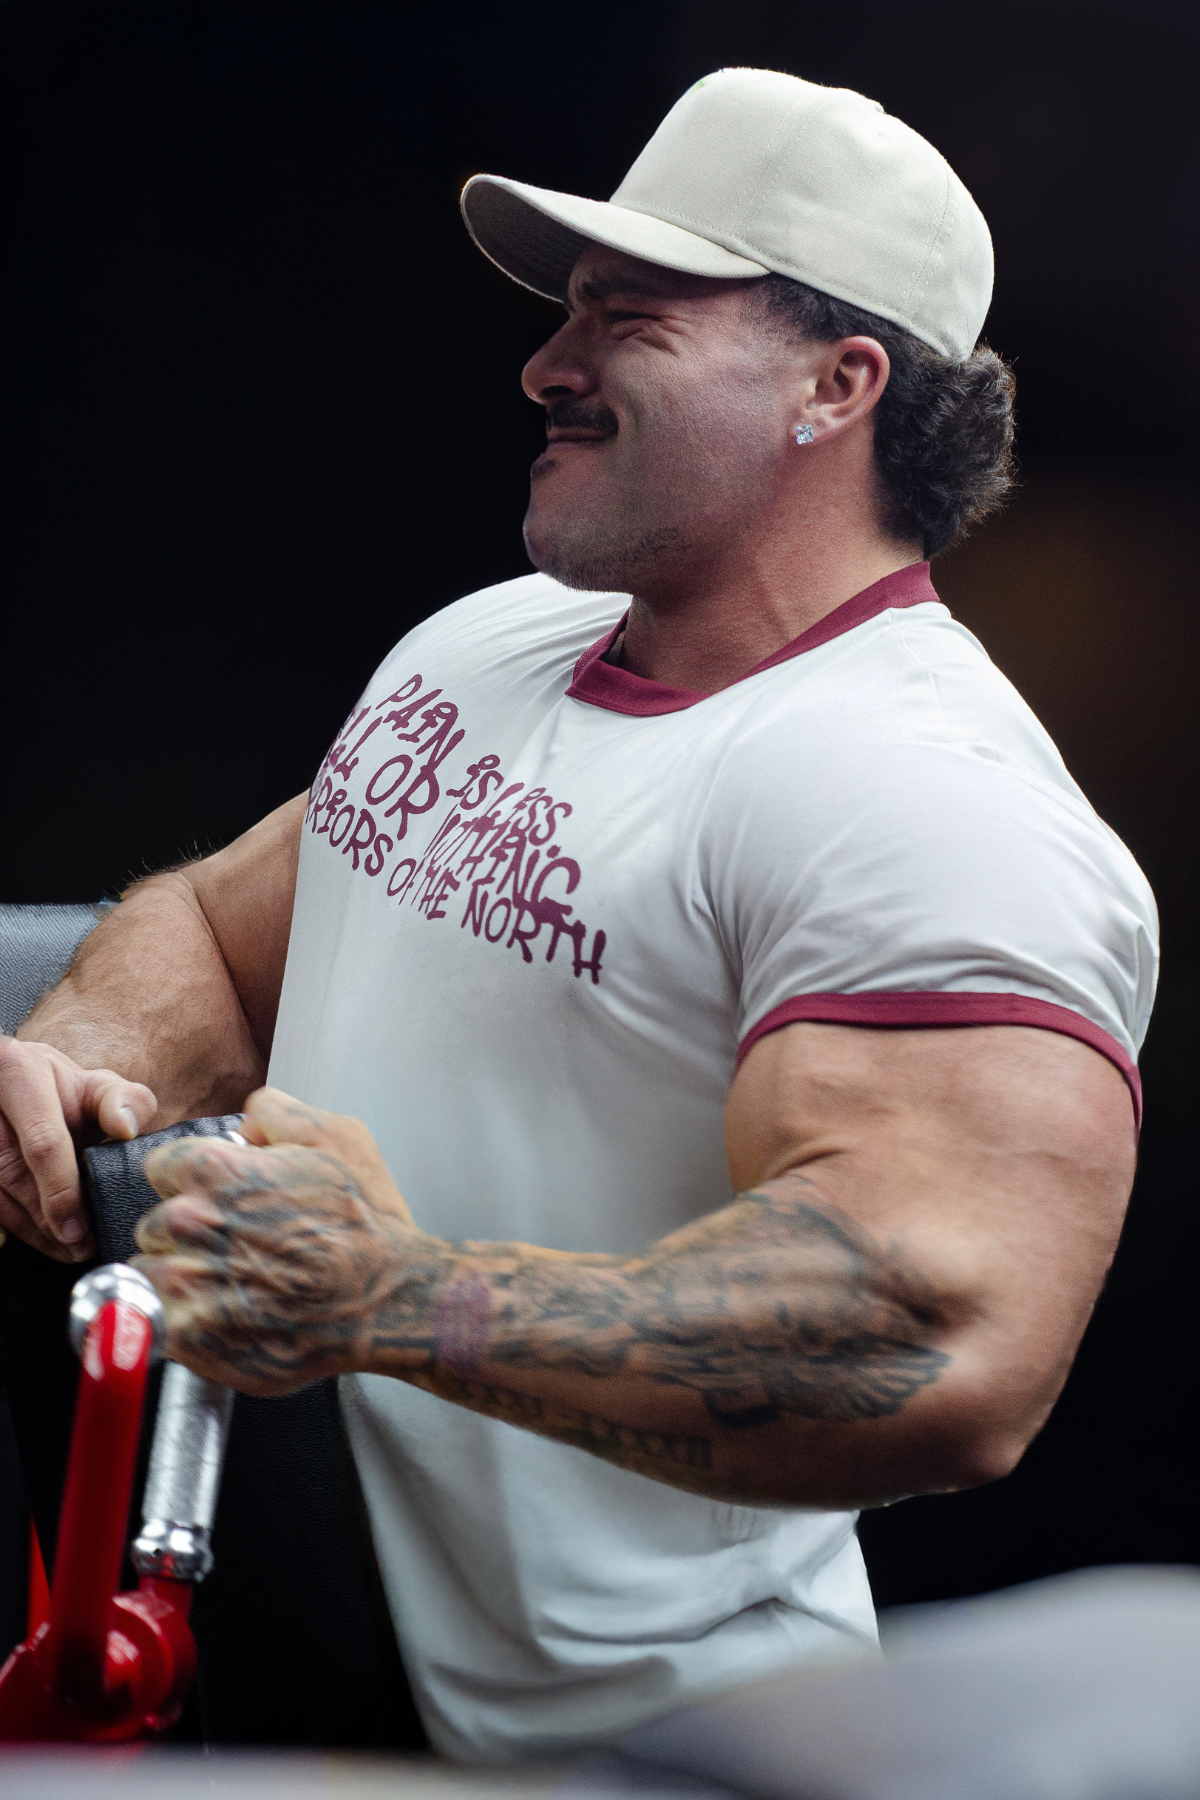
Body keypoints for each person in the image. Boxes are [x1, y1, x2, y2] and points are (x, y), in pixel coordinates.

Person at [0, 69, 1156, 1761]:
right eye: (569, 314)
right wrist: (72, 1071)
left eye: (632, 319)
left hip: (641, 1750)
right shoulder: (489, 646)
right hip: (297, 1678)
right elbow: (221, 941)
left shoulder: (928, 796)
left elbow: (940, 1342)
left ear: (837, 386)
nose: (549, 363)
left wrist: (401, 1300)